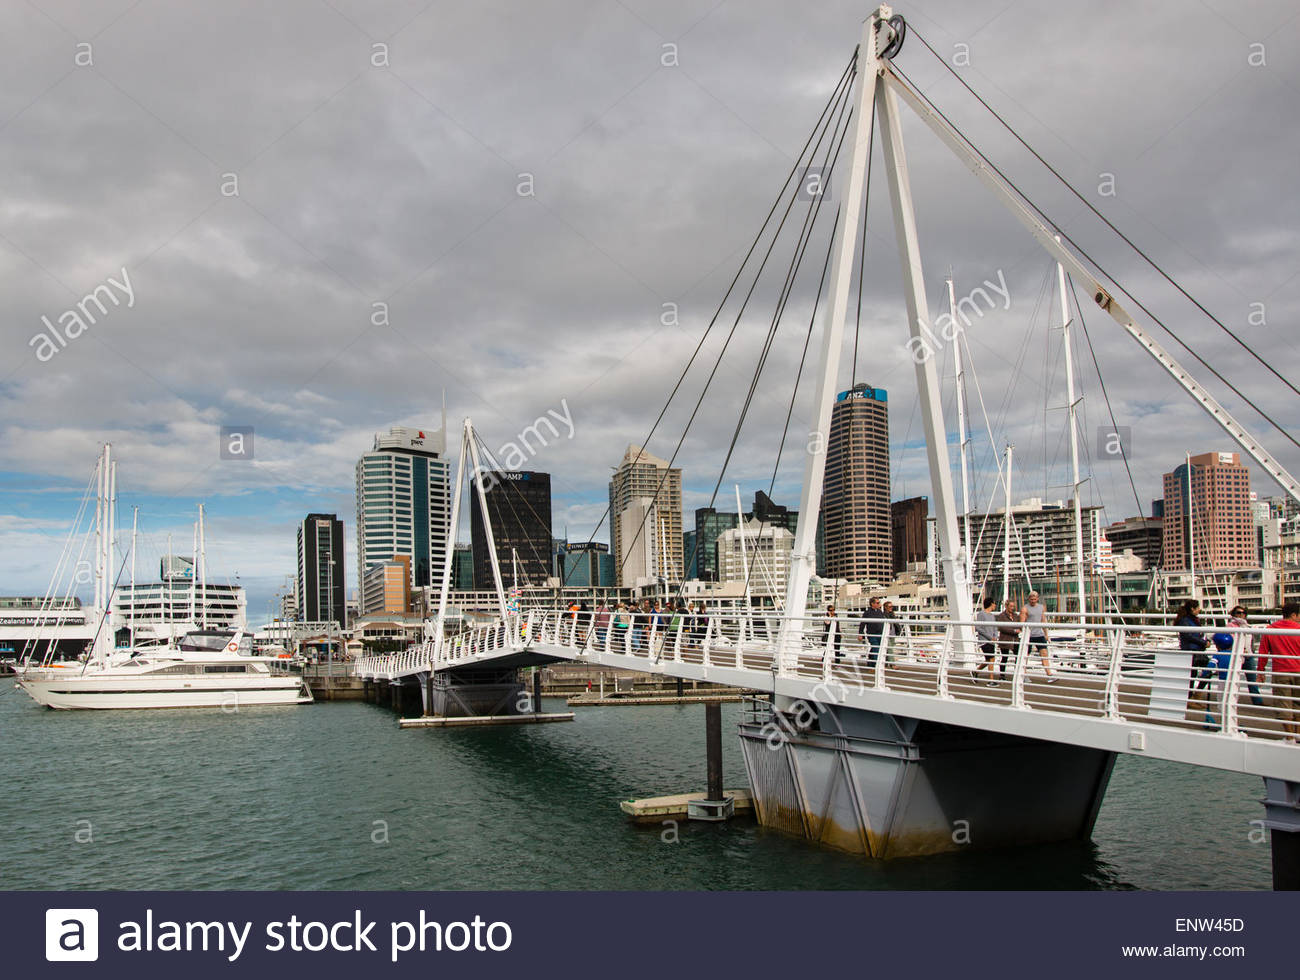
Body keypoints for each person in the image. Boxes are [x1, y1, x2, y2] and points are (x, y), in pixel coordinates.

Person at [1259, 602, 1300, 744]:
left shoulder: (1270, 629)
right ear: (1294, 615)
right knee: (1297, 705)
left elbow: (1263, 652)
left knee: (1284, 705)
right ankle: (1298, 735)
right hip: (1298, 671)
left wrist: (1261, 671)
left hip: (1281, 671)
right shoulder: (1299, 629)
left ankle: (1289, 737)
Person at [1228, 606, 1265, 708]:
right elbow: (1231, 640)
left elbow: (1251, 641)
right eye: (1238, 613)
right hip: (1237, 656)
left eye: (1243, 613)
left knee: (1252, 679)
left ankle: (1257, 701)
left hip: (1248, 656)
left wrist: (1251, 651)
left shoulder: (1248, 626)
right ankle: (1232, 700)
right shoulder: (1230, 626)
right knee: (1234, 679)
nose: (1241, 615)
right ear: (1234, 614)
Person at [1176, 600, 1211, 697]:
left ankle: (1195, 695)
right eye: (1198, 607)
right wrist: (1204, 642)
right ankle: (1190, 697)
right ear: (1192, 609)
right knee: (1192, 674)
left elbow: (1198, 634)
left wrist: (1206, 641)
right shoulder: (1186, 620)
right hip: (1191, 650)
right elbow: (1188, 636)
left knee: (1205, 672)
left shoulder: (1193, 620)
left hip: (1197, 650)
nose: (1199, 609)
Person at [1020, 591, 1055, 681]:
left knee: (1044, 653)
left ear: (1037, 599)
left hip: (1039, 634)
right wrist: (1023, 634)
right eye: (1031, 599)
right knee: (1026, 656)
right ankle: (1024, 675)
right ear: (1029, 599)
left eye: (1035, 599)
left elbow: (1043, 620)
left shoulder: (1041, 607)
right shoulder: (1025, 609)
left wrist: (1046, 634)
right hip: (1029, 635)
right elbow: (1022, 623)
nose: (1033, 600)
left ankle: (1049, 675)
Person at [972, 597, 1000, 684]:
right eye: (994, 603)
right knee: (991, 658)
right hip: (984, 640)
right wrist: (989, 637)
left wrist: (995, 636)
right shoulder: (981, 614)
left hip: (991, 641)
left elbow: (995, 627)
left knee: (989, 659)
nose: (995, 605)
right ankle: (991, 680)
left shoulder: (992, 616)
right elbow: (978, 627)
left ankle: (976, 671)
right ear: (991, 604)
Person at [995, 599, 1020, 680]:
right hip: (1005, 639)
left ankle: (1017, 675)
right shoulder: (1001, 616)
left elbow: (1020, 625)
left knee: (1017, 657)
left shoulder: (1016, 615)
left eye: (1013, 606)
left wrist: (1018, 630)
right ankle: (1002, 675)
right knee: (1004, 657)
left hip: (1015, 639)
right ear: (1006, 606)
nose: (1012, 608)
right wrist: (1013, 631)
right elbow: (1001, 627)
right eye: (1011, 606)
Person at [858, 597, 886, 664]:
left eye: (879, 602)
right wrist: (860, 634)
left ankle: (870, 662)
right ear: (872, 604)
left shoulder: (880, 612)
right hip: (872, 634)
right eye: (877, 603)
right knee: (876, 648)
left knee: (876, 648)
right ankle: (876, 665)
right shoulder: (867, 612)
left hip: (880, 633)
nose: (879, 604)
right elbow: (862, 623)